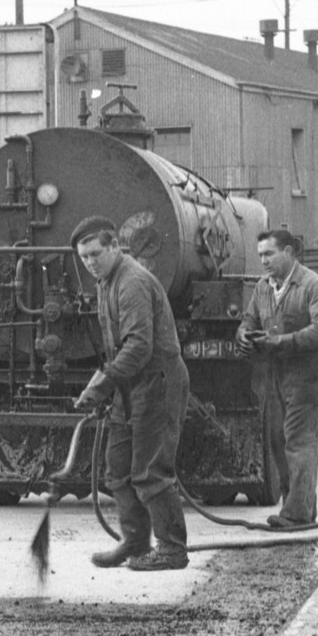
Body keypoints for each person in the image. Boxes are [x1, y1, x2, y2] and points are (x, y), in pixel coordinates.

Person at [70, 215, 191, 572]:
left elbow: (139, 346)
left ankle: (172, 549)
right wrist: (107, 386)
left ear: (114, 246)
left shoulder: (132, 281)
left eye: (95, 254)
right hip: (131, 384)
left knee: (150, 471)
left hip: (157, 381)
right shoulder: (106, 282)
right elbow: (118, 346)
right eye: (84, 257)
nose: (90, 263)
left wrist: (102, 384)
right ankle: (136, 543)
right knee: (118, 469)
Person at [235, 228, 318, 528]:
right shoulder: (263, 288)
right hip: (273, 373)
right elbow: (249, 319)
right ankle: (298, 507)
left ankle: (296, 513)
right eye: (260, 255)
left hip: (307, 375)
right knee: (278, 440)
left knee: (299, 441)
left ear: (289, 252)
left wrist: (281, 342)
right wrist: (243, 334)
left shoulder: (312, 285)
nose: (263, 261)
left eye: (269, 254)